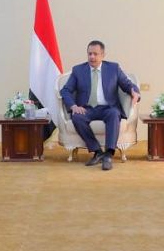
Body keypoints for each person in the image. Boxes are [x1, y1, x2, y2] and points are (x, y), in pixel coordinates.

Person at [60, 40, 140, 171]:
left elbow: (127, 84)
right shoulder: (78, 70)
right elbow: (65, 90)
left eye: (95, 54)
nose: (92, 57)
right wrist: (73, 106)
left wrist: (134, 92)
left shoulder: (113, 68)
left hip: (108, 108)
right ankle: (97, 152)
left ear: (103, 55)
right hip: (87, 108)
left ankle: (108, 154)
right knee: (77, 117)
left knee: (114, 114)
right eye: (89, 54)